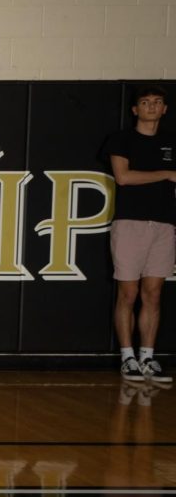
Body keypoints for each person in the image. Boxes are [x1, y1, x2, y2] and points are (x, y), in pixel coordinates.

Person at [103, 86, 175, 387]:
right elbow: (123, 177)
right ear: (135, 109)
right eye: (145, 102)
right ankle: (127, 356)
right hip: (130, 223)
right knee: (128, 293)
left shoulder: (172, 143)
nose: (151, 107)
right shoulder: (122, 139)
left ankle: (147, 356)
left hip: (163, 225)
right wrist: (166, 174)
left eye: (157, 102)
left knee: (153, 293)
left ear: (164, 109)